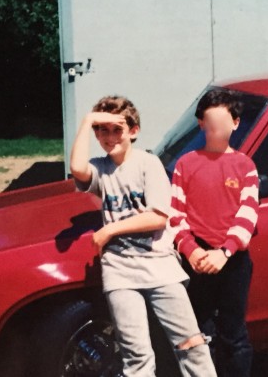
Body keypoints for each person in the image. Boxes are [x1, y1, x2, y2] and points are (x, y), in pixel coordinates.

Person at [70, 95, 216, 377]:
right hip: (120, 271)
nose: (109, 137)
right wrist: (88, 120)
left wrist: (109, 229)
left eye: (117, 129)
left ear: (134, 131)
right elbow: (77, 168)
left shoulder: (149, 163)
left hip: (159, 265)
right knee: (136, 354)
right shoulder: (101, 168)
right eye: (102, 130)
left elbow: (158, 217)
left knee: (191, 344)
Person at [168, 89, 260, 377]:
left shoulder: (245, 166)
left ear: (236, 123)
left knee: (234, 334)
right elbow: (175, 215)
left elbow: (248, 215)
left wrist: (225, 251)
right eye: (210, 124)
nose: (216, 130)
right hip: (195, 260)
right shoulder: (185, 164)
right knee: (199, 332)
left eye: (222, 123)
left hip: (232, 261)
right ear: (201, 124)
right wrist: (191, 249)